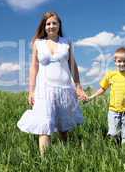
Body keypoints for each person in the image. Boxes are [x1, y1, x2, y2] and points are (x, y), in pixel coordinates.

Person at [17, 11, 88, 156]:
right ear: (44, 26)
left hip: (65, 88)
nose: (51, 26)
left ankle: (66, 152)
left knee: (63, 125)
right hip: (44, 89)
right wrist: (31, 91)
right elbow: (34, 67)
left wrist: (78, 87)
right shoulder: (38, 43)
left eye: (54, 23)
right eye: (48, 24)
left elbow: (73, 65)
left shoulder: (66, 42)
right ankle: (45, 161)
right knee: (45, 123)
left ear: (59, 25)